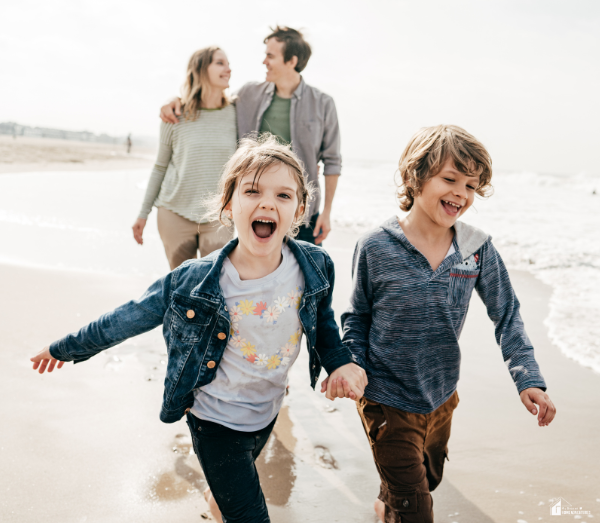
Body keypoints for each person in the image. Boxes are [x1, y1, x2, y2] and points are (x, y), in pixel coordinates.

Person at [31, 135, 368, 523]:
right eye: (252, 190)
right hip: (214, 421)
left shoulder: (314, 266)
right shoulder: (195, 281)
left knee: (229, 493)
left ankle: (218, 497)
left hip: (267, 410)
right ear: (228, 205)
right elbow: (130, 316)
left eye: (283, 195)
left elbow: (324, 326)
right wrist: (66, 347)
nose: (267, 203)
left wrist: (339, 363)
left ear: (299, 210)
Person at [338, 125, 556, 523]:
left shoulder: (475, 251)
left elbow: (506, 314)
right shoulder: (376, 246)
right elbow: (357, 316)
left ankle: (389, 503)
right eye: (450, 179)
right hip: (385, 398)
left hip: (441, 397)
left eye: (471, 185)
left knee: (426, 481)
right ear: (414, 177)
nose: (461, 193)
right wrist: (351, 365)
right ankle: (398, 503)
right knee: (417, 510)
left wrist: (530, 379)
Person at [160, 26, 341, 246]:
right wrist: (176, 99)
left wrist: (327, 212)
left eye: (270, 56)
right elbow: (212, 101)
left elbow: (332, 162)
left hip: (302, 215)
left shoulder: (323, 104)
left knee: (310, 278)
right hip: (255, 213)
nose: (264, 61)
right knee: (256, 278)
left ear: (291, 61)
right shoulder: (248, 94)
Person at [133, 46, 237, 270]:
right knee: (181, 288)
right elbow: (160, 167)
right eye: (220, 63)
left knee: (215, 286)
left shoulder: (236, 114)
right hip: (174, 213)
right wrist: (143, 214)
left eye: (228, 64)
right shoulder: (175, 114)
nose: (228, 69)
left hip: (219, 217)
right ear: (201, 69)